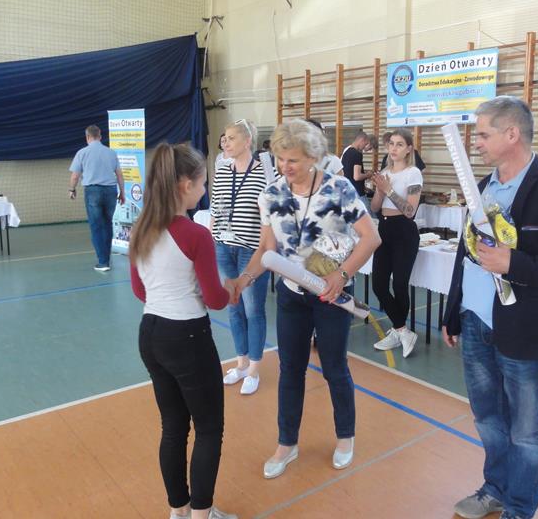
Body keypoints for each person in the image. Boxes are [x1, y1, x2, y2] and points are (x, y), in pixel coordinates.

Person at [441, 96, 538, 519]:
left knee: (525, 430)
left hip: (526, 328)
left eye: (483, 134)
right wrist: (454, 312)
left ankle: (520, 509)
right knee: (488, 419)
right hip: (475, 322)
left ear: (512, 134)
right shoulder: (482, 187)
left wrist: (514, 263)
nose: (475, 142)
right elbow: (465, 253)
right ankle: (496, 489)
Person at [233, 119, 380, 478]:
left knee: (334, 368)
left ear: (313, 157)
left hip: (332, 294)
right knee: (290, 370)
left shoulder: (338, 188)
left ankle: (345, 437)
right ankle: (287, 443)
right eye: (280, 159)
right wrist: (244, 279)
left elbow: (370, 238)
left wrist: (341, 275)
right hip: (291, 295)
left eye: (293, 160)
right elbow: (267, 249)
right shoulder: (271, 194)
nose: (285, 167)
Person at [130, 142, 238, 519]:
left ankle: (180, 510)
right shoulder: (195, 234)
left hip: (151, 333)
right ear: (185, 185)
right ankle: (202, 515)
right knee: (208, 429)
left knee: (174, 427)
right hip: (187, 338)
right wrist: (230, 289)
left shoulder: (141, 228)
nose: (205, 190)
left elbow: (140, 290)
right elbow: (215, 299)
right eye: (203, 183)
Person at [210, 118, 270, 395]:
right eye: (224, 138)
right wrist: (212, 241)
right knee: (233, 306)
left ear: (247, 141)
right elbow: (215, 210)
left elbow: (271, 216)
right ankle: (242, 363)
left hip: (252, 250)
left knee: (253, 309)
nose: (226, 142)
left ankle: (254, 370)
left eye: (232, 138)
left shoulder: (265, 174)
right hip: (224, 247)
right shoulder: (222, 172)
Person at [369, 128, 422, 358]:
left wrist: (389, 190)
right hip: (384, 228)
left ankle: (399, 330)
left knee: (400, 284)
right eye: (391, 143)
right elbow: (374, 207)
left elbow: (410, 211)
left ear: (408, 149)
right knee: (379, 284)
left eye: (399, 144)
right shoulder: (384, 172)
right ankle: (401, 330)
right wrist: (380, 192)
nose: (394, 148)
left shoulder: (413, 174)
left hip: (404, 231)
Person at [68, 125, 125, 271]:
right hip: (111, 191)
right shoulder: (111, 152)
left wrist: (72, 189)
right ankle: (107, 258)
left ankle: (103, 262)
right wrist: (122, 193)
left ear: (87, 137)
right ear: (100, 136)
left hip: (92, 192)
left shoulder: (82, 153)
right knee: (107, 224)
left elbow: (75, 176)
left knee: (96, 226)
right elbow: (119, 175)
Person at [340, 131, 374, 201]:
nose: (364, 147)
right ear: (362, 140)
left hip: (348, 191)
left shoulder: (346, 152)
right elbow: (357, 177)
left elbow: (348, 173)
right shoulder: (357, 154)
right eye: (365, 144)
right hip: (357, 192)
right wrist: (368, 175)